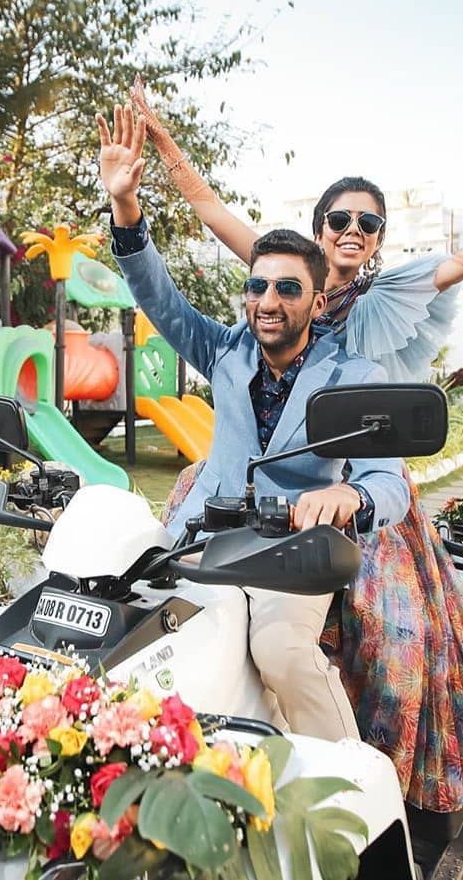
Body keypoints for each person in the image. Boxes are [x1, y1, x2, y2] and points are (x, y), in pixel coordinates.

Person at [132, 81, 463, 811]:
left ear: (374, 243)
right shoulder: (269, 288)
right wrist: (156, 154)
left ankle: (360, 796)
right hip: (238, 502)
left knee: (394, 644)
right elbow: (200, 228)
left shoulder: (373, 328)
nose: (352, 229)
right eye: (338, 218)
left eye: (368, 222)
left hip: (341, 493)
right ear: (315, 232)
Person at [97, 103, 407, 744]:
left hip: (286, 559)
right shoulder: (226, 349)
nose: (268, 302)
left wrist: (349, 494)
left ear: (317, 302)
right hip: (196, 542)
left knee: (283, 655)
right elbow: (159, 296)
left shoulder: (354, 377)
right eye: (257, 286)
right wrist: (126, 206)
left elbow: (389, 481)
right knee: (114, 626)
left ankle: (353, 788)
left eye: (287, 290)